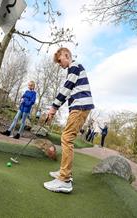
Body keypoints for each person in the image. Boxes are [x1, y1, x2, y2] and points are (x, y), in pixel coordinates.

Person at [43, 47, 94, 193]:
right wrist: (55, 109)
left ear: (67, 55)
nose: (59, 64)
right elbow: (68, 93)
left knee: (66, 138)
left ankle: (64, 180)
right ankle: (64, 173)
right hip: (78, 106)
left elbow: (66, 89)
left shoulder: (74, 67)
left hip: (80, 106)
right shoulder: (73, 69)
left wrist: (53, 108)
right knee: (66, 137)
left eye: (60, 61)